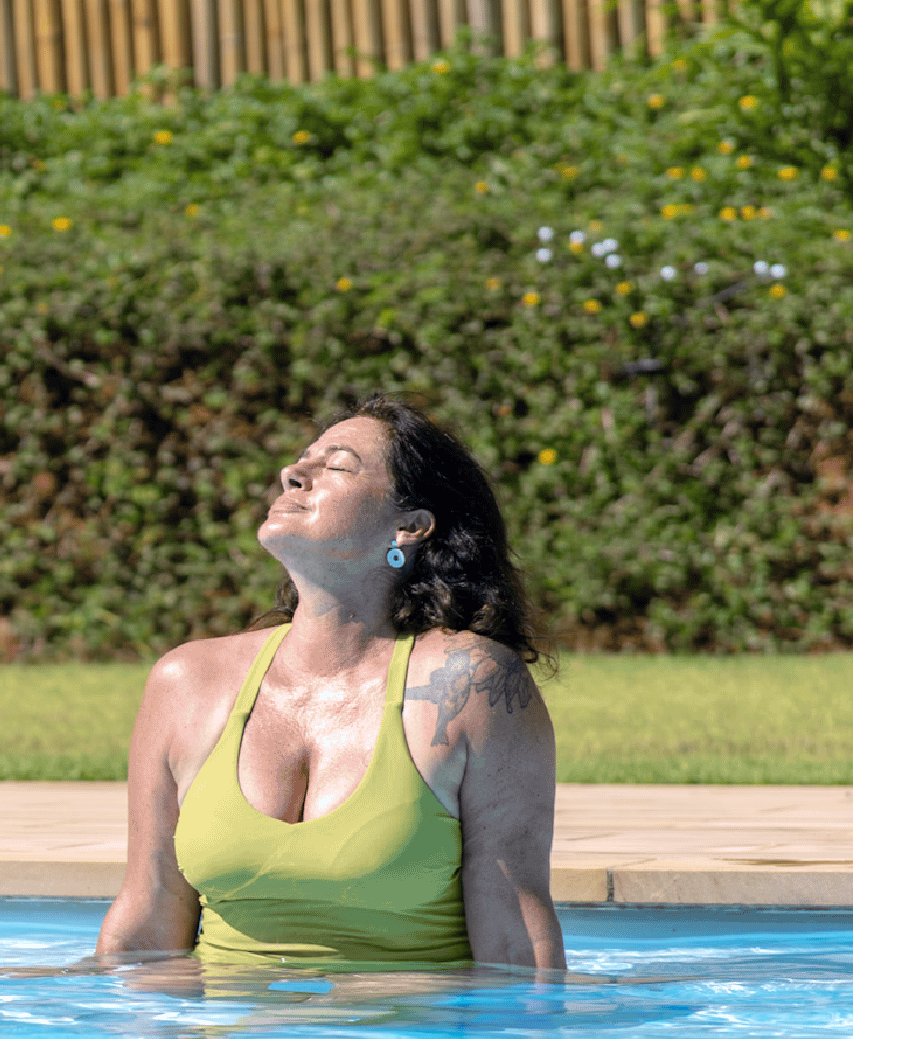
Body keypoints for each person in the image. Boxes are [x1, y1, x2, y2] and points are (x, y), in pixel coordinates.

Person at [95, 394, 565, 974]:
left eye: (337, 465)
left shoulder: (468, 683)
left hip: (409, 1028)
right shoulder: (188, 681)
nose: (293, 473)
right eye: (302, 459)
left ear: (409, 527)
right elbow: (147, 915)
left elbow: (517, 939)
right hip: (226, 1029)